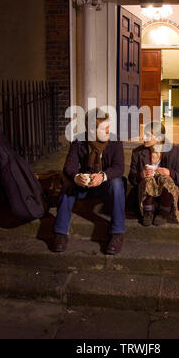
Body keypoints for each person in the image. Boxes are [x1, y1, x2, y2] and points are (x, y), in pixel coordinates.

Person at [52, 108, 125, 255]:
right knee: (67, 185)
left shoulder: (115, 141)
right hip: (84, 187)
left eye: (109, 126)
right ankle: (60, 233)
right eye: (105, 128)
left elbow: (119, 168)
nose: (109, 130)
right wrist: (77, 177)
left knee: (117, 183)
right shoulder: (79, 141)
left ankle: (117, 234)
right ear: (92, 130)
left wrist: (102, 176)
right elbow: (69, 167)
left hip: (105, 187)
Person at [128, 121, 179, 226]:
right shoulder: (137, 153)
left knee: (165, 178)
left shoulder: (174, 152)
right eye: (144, 135)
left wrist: (170, 172)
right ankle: (148, 212)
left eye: (148, 135)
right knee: (148, 179)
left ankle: (163, 211)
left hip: (166, 194)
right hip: (147, 195)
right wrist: (141, 175)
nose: (144, 138)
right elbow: (131, 178)